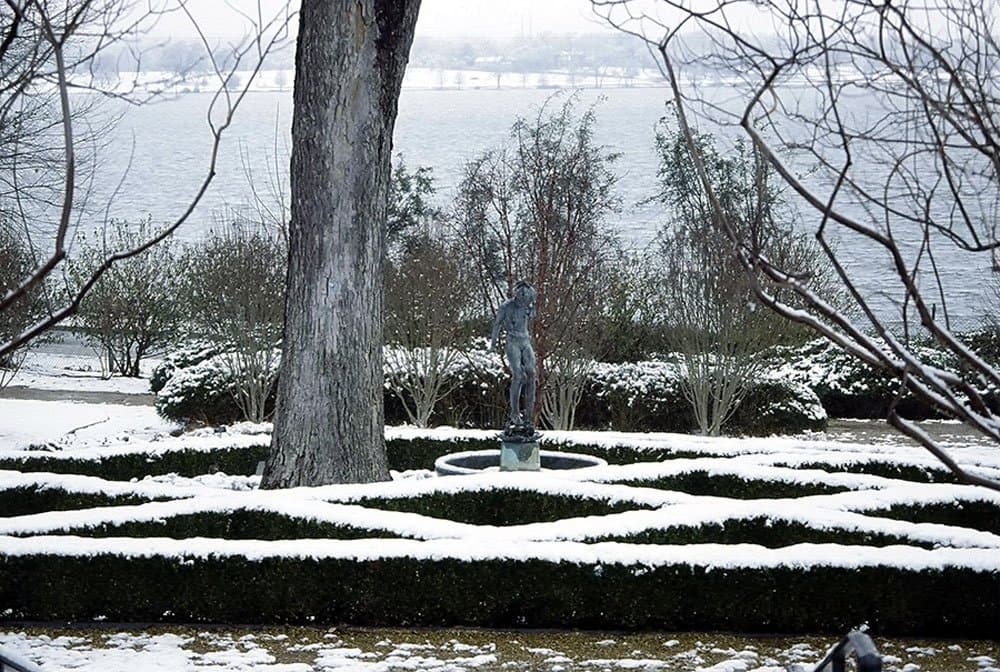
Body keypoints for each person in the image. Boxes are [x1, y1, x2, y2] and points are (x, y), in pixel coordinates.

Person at [490, 280, 537, 429]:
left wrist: (531, 307)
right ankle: (515, 414)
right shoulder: (506, 307)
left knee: (532, 374)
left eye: (527, 296)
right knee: (518, 375)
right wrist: (493, 343)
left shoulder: (528, 306)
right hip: (513, 341)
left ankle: (529, 414)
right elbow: (497, 324)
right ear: (517, 294)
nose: (525, 299)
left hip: (525, 340)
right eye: (522, 296)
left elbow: (532, 315)